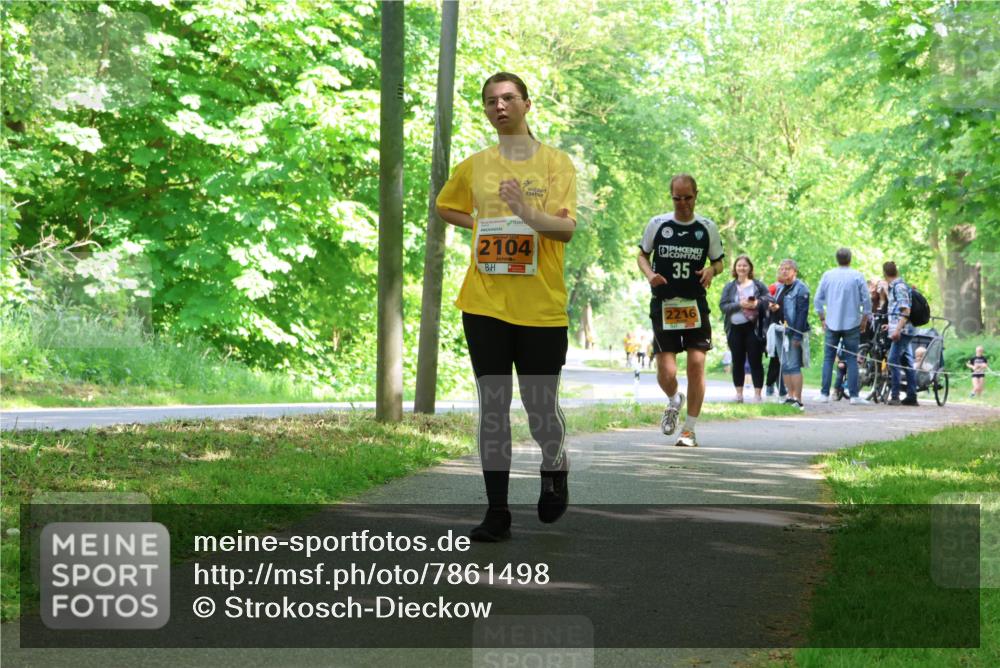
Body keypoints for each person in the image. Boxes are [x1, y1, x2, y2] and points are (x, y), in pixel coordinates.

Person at [435, 72, 577, 542]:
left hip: (541, 309)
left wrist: (525, 213)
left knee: (540, 410)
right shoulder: (476, 166)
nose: (499, 106)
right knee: (493, 409)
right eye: (490, 100)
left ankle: (554, 464)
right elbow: (444, 206)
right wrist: (479, 224)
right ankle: (497, 513)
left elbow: (565, 230)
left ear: (526, 104)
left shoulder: (556, 164)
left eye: (508, 98)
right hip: (484, 304)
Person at [637, 174, 725, 447]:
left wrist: (711, 270)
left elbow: (719, 262)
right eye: (677, 198)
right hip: (665, 305)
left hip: (694, 304)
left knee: (697, 364)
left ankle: (689, 429)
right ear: (671, 196)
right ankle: (675, 399)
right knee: (666, 372)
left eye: (688, 198)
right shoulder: (658, 224)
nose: (683, 203)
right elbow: (642, 255)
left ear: (696, 195)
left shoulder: (707, 227)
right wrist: (650, 274)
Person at [813, 248, 872, 405]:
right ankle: (854, 396)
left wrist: (822, 318)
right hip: (852, 323)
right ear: (850, 259)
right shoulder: (857, 276)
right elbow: (866, 300)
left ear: (837, 259)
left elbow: (817, 299)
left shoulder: (828, 275)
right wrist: (864, 319)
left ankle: (824, 394)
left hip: (832, 322)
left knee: (828, 358)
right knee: (852, 358)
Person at [719, 255, 769, 403]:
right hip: (735, 328)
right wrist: (739, 305)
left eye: (745, 265)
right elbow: (723, 306)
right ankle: (739, 394)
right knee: (737, 361)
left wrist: (757, 304)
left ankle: (757, 395)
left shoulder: (758, 285)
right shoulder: (729, 287)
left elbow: (768, 299)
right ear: (735, 268)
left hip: (754, 328)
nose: (742, 268)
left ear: (750, 268)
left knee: (755, 360)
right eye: (739, 265)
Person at [770, 259, 810, 410]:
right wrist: (774, 308)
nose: (784, 271)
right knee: (785, 365)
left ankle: (798, 400)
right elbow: (782, 306)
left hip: (793, 332)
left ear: (795, 271)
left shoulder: (801, 289)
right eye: (781, 268)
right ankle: (789, 396)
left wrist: (798, 336)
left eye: (787, 268)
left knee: (793, 365)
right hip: (780, 330)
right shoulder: (780, 287)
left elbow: (802, 314)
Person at [882, 261, 918, 406]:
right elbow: (896, 310)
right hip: (902, 329)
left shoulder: (899, 287)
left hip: (903, 331)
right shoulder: (895, 287)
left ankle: (895, 396)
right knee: (907, 362)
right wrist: (890, 325)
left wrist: (897, 330)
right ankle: (912, 396)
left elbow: (906, 311)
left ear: (885, 273)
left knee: (892, 360)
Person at [764, 278, 786, 400]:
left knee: (782, 360)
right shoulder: (773, 287)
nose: (783, 272)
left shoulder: (794, 288)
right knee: (776, 359)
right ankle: (771, 386)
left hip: (787, 326)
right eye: (781, 269)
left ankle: (779, 387)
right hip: (774, 326)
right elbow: (765, 302)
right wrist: (771, 306)